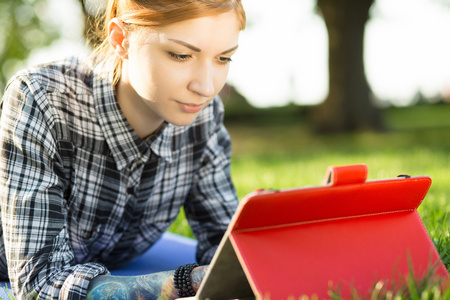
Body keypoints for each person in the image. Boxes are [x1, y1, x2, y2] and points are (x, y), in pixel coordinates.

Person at [0, 0, 246, 298]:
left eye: (223, 59)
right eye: (181, 55)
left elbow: (227, 246)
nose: (207, 87)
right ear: (121, 40)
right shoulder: (40, 99)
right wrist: (187, 281)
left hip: (115, 261)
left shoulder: (202, 116)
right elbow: (38, 285)